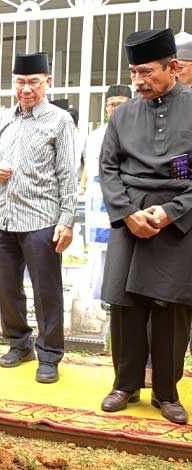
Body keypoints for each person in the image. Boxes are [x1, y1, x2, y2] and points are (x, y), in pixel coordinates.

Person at [98, 29, 192, 425]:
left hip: (178, 221)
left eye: (146, 72)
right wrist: (127, 212)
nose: (137, 81)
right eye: (134, 72)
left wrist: (174, 211)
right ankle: (125, 385)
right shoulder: (122, 113)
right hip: (130, 219)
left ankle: (167, 393)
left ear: (173, 67)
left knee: (170, 309)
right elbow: (107, 168)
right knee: (125, 306)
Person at [0, 52, 77, 384]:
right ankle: (19, 343)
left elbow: (68, 174)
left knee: (46, 290)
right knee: (7, 287)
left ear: (47, 83)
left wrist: (66, 219)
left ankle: (50, 354)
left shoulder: (59, 120)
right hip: (2, 218)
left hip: (41, 220)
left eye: (34, 83)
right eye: (21, 82)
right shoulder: (3, 119)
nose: (26, 89)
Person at [82, 85, 131, 301]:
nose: (114, 109)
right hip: (98, 201)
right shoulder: (95, 136)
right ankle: (97, 298)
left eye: (120, 104)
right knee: (97, 253)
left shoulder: (137, 131)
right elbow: (89, 168)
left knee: (122, 252)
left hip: (124, 201)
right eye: (111, 105)